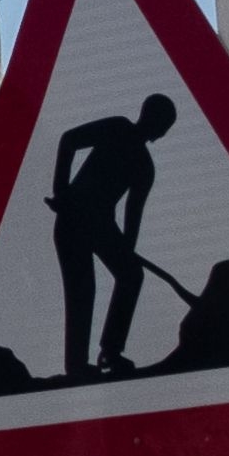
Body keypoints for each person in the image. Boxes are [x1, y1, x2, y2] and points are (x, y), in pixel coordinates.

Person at [44, 90, 177, 381]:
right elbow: (68, 140)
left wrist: (127, 251)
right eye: (163, 124)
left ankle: (110, 351)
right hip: (74, 218)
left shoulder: (145, 167)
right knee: (83, 289)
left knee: (131, 275)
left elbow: (133, 216)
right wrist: (61, 192)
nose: (161, 131)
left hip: (101, 225)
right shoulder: (117, 128)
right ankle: (77, 365)